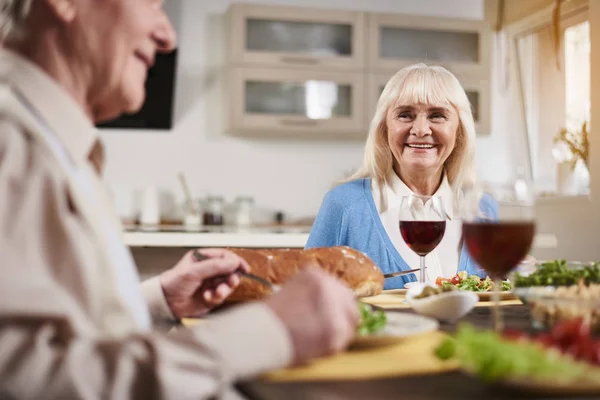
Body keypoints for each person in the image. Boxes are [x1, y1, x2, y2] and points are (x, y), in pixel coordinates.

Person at [0, 0, 360, 399]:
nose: (168, 37)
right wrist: (268, 331)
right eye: (152, 4)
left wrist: (158, 300)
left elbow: (63, 338)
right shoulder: (10, 145)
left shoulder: (50, 145)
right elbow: (26, 381)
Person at [306, 63, 497, 290]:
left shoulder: (483, 208)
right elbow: (304, 298)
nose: (420, 129)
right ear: (384, 127)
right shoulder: (345, 206)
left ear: (460, 130)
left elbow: (503, 299)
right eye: (405, 115)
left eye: (437, 115)